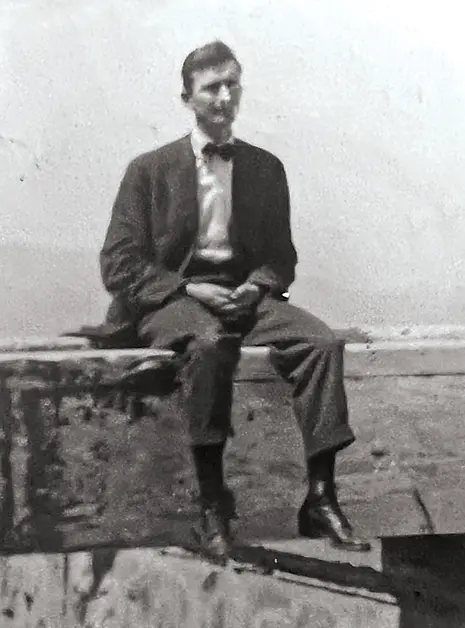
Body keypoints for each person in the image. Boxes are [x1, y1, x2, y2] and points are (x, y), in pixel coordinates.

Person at [95, 40, 369, 557]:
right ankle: (211, 504)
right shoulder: (148, 171)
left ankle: (320, 496)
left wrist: (258, 287)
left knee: (321, 343)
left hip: (243, 299)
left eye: (232, 84)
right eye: (210, 88)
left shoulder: (266, 168)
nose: (224, 97)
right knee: (207, 344)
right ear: (187, 98)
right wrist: (188, 288)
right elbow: (118, 263)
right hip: (172, 301)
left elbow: (281, 256)